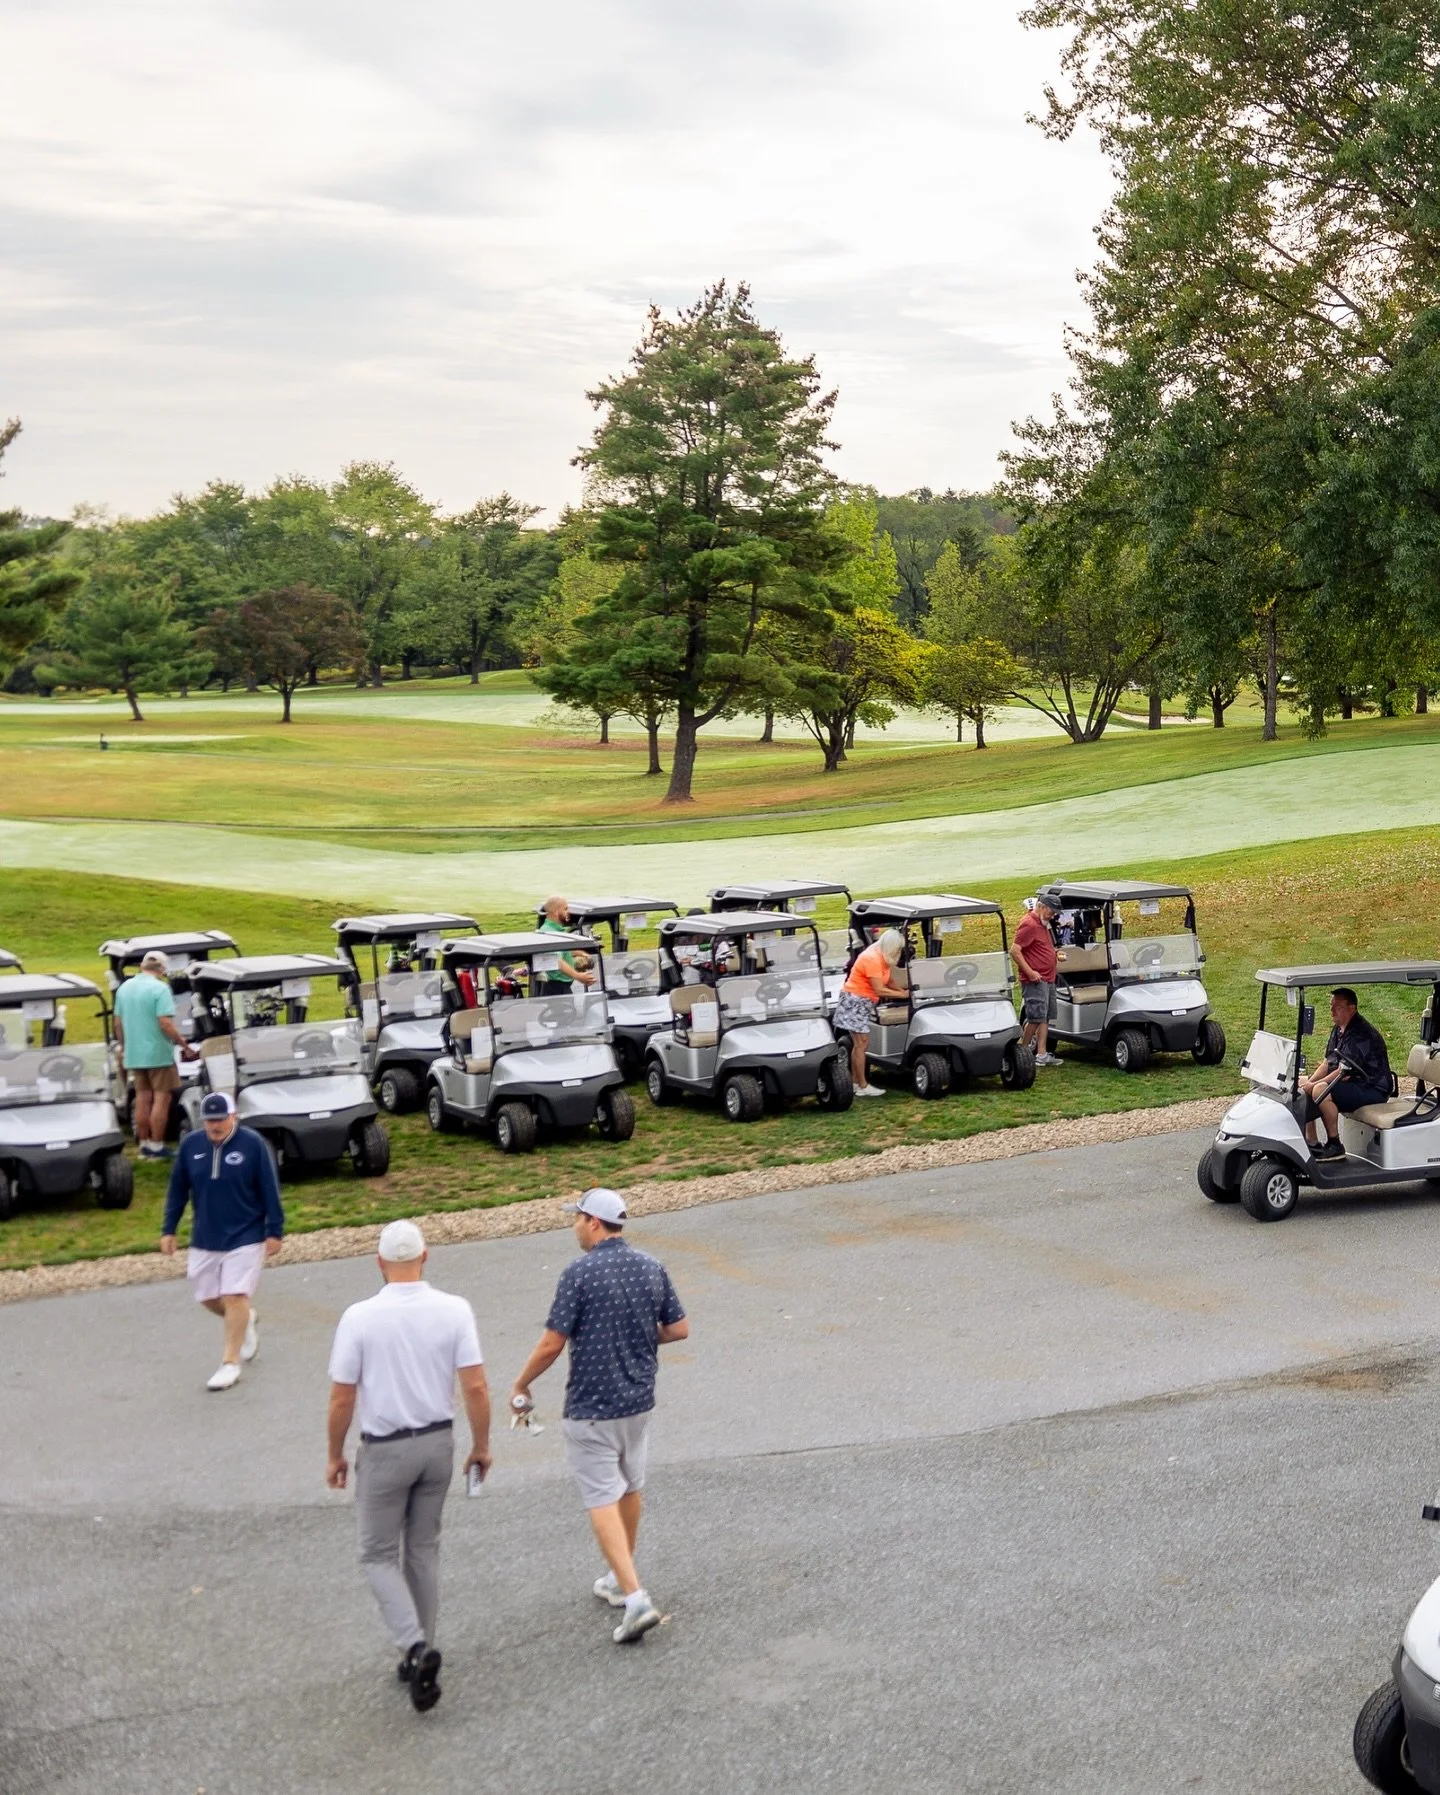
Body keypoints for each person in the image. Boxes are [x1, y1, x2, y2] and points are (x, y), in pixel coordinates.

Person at [326, 1219, 491, 1714]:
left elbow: (342, 1398)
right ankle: (421, 1648)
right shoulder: (454, 1309)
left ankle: (415, 1647)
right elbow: (476, 1386)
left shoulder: (359, 1318)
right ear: (425, 1256)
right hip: (437, 1443)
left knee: (377, 1554)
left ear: (379, 1261)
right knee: (422, 1549)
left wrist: (335, 1453)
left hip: (385, 1449)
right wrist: (481, 1445)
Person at [511, 1188, 688, 1645]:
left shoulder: (579, 1273)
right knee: (629, 1487)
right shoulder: (651, 1266)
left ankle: (635, 1599)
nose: (574, 1225)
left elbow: (552, 1342)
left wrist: (521, 1383)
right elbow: (677, 1328)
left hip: (591, 1407)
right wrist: (638, 1335)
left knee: (600, 1498)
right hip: (638, 1402)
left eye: (577, 1218)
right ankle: (617, 1577)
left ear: (592, 1222)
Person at [161, 1091, 284, 1391]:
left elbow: (269, 1187)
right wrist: (169, 1229)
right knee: (206, 1295)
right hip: (206, 1234)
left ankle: (230, 1363)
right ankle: (245, 1319)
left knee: (235, 1295)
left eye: (220, 1119)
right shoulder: (191, 1146)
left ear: (234, 1117)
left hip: (246, 1234)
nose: (215, 1125)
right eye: (209, 1120)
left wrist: (274, 1229)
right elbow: (177, 1190)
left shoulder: (252, 1144)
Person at [114, 950, 198, 1159]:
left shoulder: (124, 988)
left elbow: (117, 1023)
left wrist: (124, 1045)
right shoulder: (160, 989)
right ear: (161, 969)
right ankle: (156, 1145)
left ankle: (143, 1144)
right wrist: (184, 1045)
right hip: (158, 1053)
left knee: (142, 1096)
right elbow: (165, 1023)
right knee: (162, 1097)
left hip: (134, 1053)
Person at [1298, 987, 1393, 1159]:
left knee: (1320, 1089)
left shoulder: (1361, 1033)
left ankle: (1335, 1144)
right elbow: (1328, 1062)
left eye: (1338, 1007)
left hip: (1373, 1088)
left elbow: (1342, 1070)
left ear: (1352, 1008)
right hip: (1353, 1081)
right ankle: (1311, 1141)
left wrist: (1314, 1085)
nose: (1332, 1010)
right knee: (1301, 1083)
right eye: (1331, 1006)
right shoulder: (1339, 1028)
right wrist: (1308, 1083)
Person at [834, 927, 909, 1098]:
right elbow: (880, 989)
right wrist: (902, 995)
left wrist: (903, 991)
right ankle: (862, 1085)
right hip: (855, 1001)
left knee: (860, 1044)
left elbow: (888, 979)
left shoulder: (883, 956)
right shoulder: (872, 958)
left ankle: (855, 1082)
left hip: (863, 1002)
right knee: (861, 1044)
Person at [1010, 896, 1064, 1068]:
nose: (1053, 916)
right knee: (1035, 1017)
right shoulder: (1029, 924)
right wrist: (1030, 972)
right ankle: (1021, 1054)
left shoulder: (1043, 924)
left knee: (1045, 1017)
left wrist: (1055, 955)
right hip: (1035, 980)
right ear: (1041, 906)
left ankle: (1041, 1054)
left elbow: (1041, 948)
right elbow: (1015, 951)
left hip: (1048, 978)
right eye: (1051, 912)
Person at [539, 896, 597, 990]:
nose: (568, 912)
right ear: (556, 912)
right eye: (565, 909)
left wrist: (581, 953)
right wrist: (578, 976)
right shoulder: (549, 932)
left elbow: (562, 951)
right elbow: (556, 960)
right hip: (556, 988)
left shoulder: (557, 930)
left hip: (562, 986)